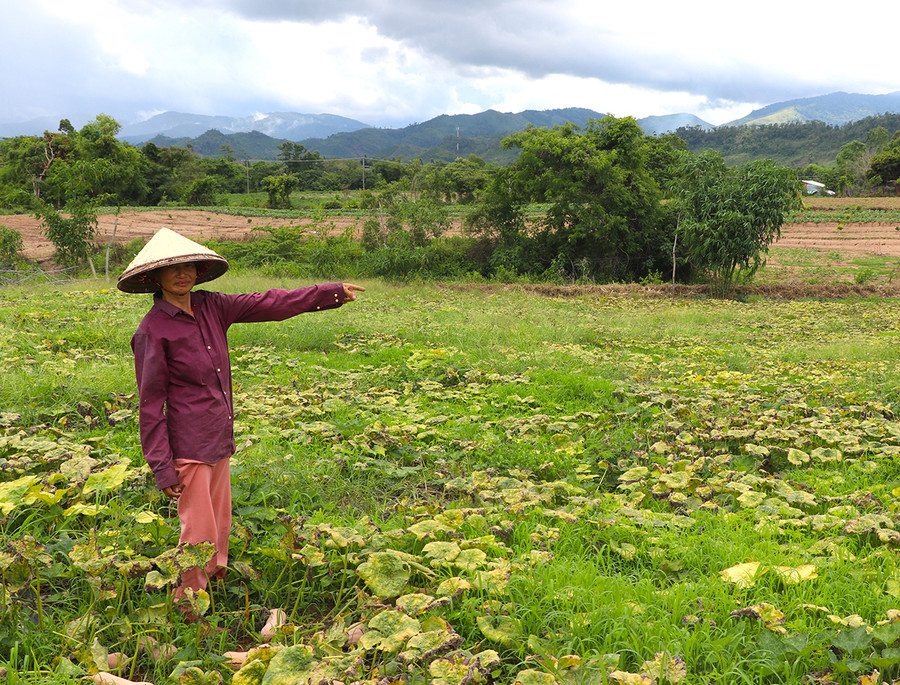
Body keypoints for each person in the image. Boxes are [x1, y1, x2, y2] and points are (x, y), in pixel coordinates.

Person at [117, 227, 364, 620]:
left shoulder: (214, 307)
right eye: (172, 270)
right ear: (155, 278)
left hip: (218, 438)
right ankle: (189, 612)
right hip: (189, 447)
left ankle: (213, 593)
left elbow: (268, 301)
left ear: (198, 272)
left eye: (189, 267)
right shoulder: (152, 330)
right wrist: (162, 467)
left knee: (219, 527)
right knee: (197, 536)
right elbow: (150, 407)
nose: (183, 275)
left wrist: (327, 293)